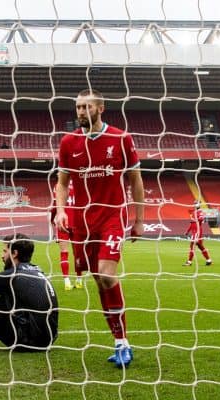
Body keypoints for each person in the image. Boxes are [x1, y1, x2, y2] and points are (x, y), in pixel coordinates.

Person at [54, 88, 145, 368]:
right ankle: (117, 342)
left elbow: (135, 179)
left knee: (107, 275)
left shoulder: (120, 138)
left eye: (86, 107)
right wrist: (60, 211)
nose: (81, 111)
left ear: (100, 108)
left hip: (112, 217)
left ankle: (124, 343)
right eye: (78, 107)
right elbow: (62, 182)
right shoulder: (69, 142)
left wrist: (138, 219)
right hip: (82, 221)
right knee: (97, 280)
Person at [52, 179, 83, 291]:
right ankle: (79, 280)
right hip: (77, 223)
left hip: (62, 223)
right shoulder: (80, 183)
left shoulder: (58, 185)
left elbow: (55, 206)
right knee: (78, 253)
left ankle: (66, 282)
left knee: (64, 253)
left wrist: (52, 219)